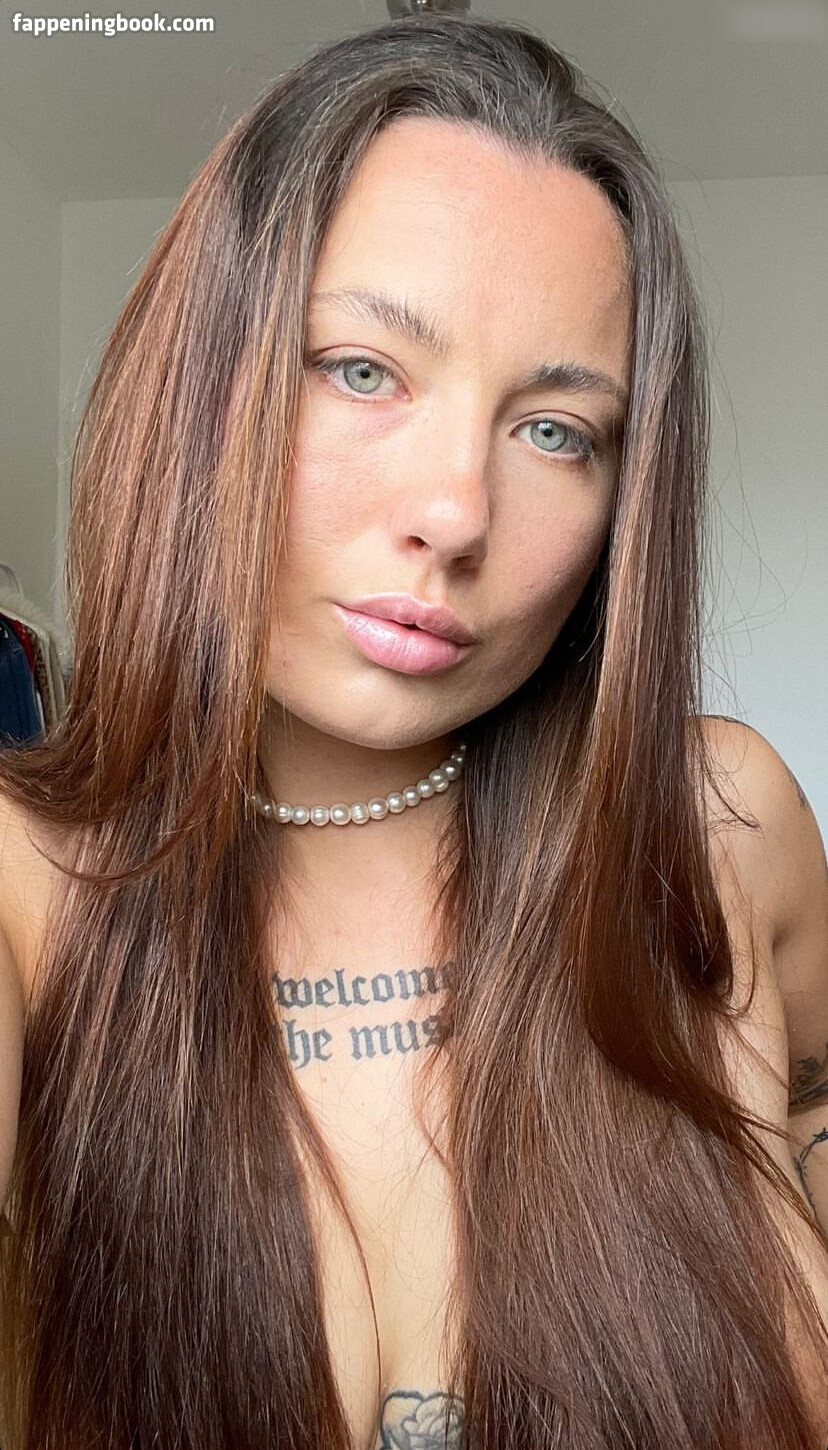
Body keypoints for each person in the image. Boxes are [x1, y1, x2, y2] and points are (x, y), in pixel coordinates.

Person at [0, 13, 826, 1450]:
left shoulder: (714, 825)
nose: (456, 512)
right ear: (201, 384)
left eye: (556, 430)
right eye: (363, 368)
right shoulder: (24, 884)